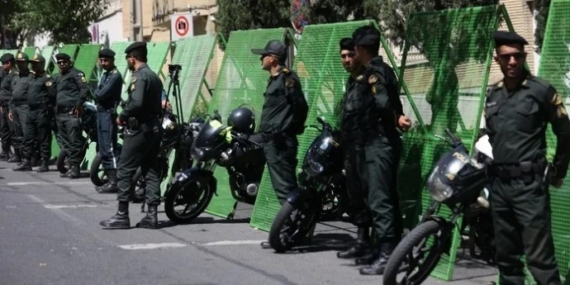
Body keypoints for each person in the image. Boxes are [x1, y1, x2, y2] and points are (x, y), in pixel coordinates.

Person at [484, 31, 570, 285]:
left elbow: (565, 132)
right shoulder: (493, 95)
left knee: (540, 261)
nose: (512, 62)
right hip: (500, 188)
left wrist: (558, 171)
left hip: (529, 188)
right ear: (497, 59)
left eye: (517, 56)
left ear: (523, 57)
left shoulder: (541, 91)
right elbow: (492, 135)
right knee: (506, 259)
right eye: (506, 57)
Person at [350, 25, 411, 275]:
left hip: (380, 141)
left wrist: (394, 118)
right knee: (382, 196)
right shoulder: (377, 70)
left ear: (361, 49)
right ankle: (387, 249)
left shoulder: (375, 73)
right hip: (376, 141)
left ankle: (388, 254)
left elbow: (383, 103)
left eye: (355, 48)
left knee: (380, 199)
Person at [250, 39, 309, 249]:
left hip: (280, 143)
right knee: (282, 187)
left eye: (264, 55)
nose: (261, 58)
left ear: (273, 58)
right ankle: (296, 229)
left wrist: (290, 129)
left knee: (285, 188)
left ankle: (288, 233)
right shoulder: (274, 80)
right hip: (271, 142)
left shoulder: (287, 80)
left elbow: (301, 107)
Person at [100, 42, 164, 230]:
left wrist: (122, 115)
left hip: (139, 130)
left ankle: (122, 215)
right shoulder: (154, 76)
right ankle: (152, 215)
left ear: (132, 58)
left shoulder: (139, 76)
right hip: (154, 129)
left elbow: (137, 103)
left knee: (124, 170)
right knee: (150, 170)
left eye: (128, 58)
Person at [336, 37, 374, 260]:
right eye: (343, 57)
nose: (347, 60)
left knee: (372, 196)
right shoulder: (350, 81)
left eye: (351, 55)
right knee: (355, 195)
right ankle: (360, 240)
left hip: (366, 148)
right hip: (351, 148)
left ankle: (376, 243)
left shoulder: (368, 78)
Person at [14, 55, 54, 172]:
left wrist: (47, 109)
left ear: (42, 64)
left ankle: (44, 162)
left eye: (36, 63)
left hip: (41, 112)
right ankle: (27, 161)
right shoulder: (32, 78)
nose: (33, 65)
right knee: (28, 137)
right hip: (30, 111)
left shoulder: (47, 79)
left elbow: (52, 96)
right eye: (32, 64)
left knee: (43, 138)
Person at [52, 53, 89, 178]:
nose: (62, 64)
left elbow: (84, 89)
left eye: (64, 62)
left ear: (70, 62)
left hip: (72, 113)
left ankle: (75, 168)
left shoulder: (77, 74)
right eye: (59, 62)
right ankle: (70, 165)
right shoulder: (57, 77)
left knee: (74, 141)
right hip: (60, 114)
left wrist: (79, 105)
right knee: (65, 143)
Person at [93, 48, 123, 193]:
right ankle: (109, 179)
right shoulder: (106, 75)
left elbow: (100, 94)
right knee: (103, 148)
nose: (103, 63)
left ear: (112, 60)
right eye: (102, 60)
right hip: (101, 113)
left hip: (108, 114)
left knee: (109, 148)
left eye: (106, 60)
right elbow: (97, 93)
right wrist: (97, 93)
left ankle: (114, 181)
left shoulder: (115, 76)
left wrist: (97, 94)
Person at [8, 52, 32, 166]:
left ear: (27, 63)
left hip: (25, 107)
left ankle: (29, 158)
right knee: (18, 134)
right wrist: (10, 109)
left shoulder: (31, 77)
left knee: (26, 132)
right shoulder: (15, 77)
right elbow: (12, 94)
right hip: (15, 107)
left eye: (22, 62)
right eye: (18, 62)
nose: (20, 65)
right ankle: (21, 157)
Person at [0, 53, 16, 161]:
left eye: (3, 64)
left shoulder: (15, 75)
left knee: (13, 130)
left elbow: (13, 92)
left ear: (9, 63)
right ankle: (5, 151)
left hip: (11, 106)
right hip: (3, 106)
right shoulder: (4, 73)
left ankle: (17, 153)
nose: (2, 66)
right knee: (3, 129)